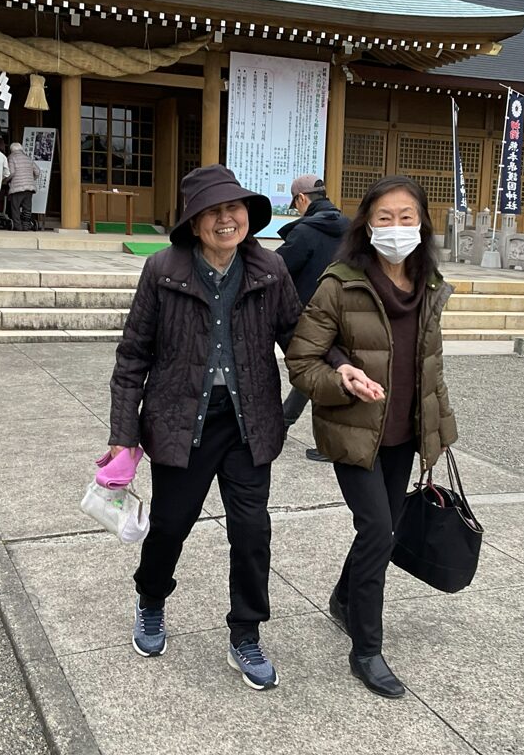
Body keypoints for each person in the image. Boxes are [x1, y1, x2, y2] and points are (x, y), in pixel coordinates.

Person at [108, 164, 301, 691]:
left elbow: (299, 338)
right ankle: (151, 600)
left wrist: (340, 368)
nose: (225, 219)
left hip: (247, 421)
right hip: (180, 419)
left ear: (248, 215)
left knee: (252, 530)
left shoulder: (269, 269)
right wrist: (123, 435)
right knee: (171, 525)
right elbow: (133, 355)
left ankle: (246, 632)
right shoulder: (162, 269)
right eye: (212, 211)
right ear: (194, 223)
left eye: (233, 208)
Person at [285, 175, 458, 699]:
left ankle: (344, 598)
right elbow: (302, 359)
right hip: (354, 433)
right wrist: (341, 379)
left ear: (423, 223)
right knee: (378, 530)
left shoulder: (429, 283)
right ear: (366, 224)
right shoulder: (341, 283)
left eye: (407, 217)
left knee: (382, 531)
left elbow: (431, 366)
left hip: (404, 432)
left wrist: (439, 428)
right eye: (385, 217)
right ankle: (366, 649)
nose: (396, 227)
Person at [277, 174, 349, 462]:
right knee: (326, 370)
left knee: (315, 373)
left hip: (311, 315)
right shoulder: (351, 228)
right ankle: (284, 422)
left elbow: (277, 268)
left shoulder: (305, 232)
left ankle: (326, 441)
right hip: (348, 312)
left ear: (302, 198)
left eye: (295, 204)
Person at [7, 142, 40, 231]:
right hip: (29, 187)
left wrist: (6, 180)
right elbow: (37, 171)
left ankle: (18, 226)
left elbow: (12, 172)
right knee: (27, 208)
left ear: (12, 150)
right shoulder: (28, 158)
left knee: (15, 207)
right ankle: (26, 226)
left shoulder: (11, 157)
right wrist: (31, 179)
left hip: (17, 187)